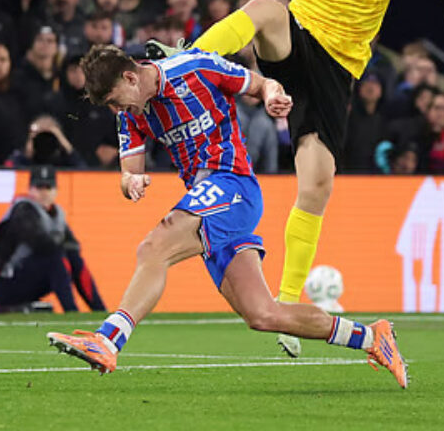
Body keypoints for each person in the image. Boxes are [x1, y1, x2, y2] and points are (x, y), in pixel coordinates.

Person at [133, 0, 444, 357]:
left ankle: (288, 307)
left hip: (337, 76)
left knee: (316, 185)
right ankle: (186, 62)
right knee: (266, 8)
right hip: (296, 48)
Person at [45, 45, 407, 390]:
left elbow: (260, 83)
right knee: (263, 315)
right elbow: (129, 171)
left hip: (233, 184)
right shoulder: (130, 115)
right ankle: (373, 337)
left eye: (113, 99)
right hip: (206, 201)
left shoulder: (196, 69)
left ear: (130, 77)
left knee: (154, 248)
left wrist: (270, 97)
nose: (115, 108)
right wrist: (132, 181)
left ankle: (108, 341)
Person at [0, 166, 105, 313]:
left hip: (25, 277)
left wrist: (68, 252)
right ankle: (71, 311)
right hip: (2, 282)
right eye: (39, 187)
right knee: (55, 259)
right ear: (30, 190)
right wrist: (62, 247)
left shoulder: (57, 213)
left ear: (56, 191)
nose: (44, 193)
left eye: (49, 187)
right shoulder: (23, 210)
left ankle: (100, 311)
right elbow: (39, 243)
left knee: (74, 259)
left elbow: (73, 248)